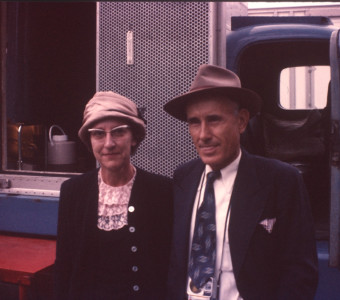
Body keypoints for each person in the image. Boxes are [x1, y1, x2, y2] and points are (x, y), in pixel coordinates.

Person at [163, 64, 318, 300]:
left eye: (214, 120)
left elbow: (300, 272)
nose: (203, 134)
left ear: (242, 121)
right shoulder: (183, 178)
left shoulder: (280, 180)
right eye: (194, 122)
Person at [54, 91, 173, 300]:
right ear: (90, 140)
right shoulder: (73, 191)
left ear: (134, 137)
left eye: (118, 132)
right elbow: (64, 268)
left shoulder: (162, 191)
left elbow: (168, 268)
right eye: (98, 133)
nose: (109, 143)